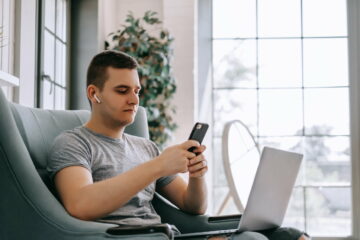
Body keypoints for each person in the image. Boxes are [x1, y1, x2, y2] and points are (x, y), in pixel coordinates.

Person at [47, 50, 309, 240]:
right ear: (94, 94)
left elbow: (193, 206)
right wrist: (156, 167)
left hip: (167, 235)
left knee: (288, 235)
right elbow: (80, 205)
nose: (134, 99)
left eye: (137, 91)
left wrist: (196, 176)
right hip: (130, 237)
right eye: (122, 90)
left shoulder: (145, 148)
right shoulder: (73, 143)